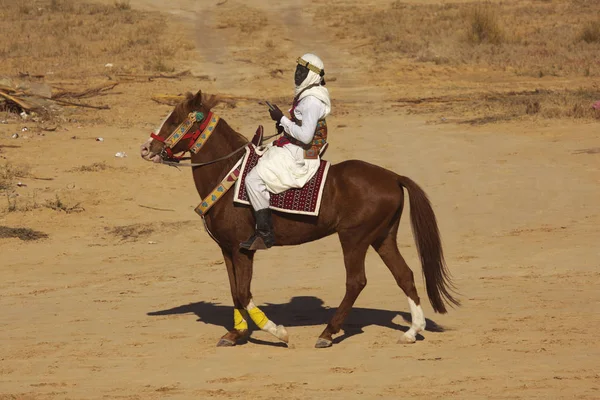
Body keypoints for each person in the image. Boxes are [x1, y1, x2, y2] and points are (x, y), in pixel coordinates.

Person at [240, 53, 331, 250]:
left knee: (252, 180)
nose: (297, 74)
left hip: (300, 152)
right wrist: (284, 124)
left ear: (312, 75)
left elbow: (306, 136)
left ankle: (265, 234)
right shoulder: (307, 95)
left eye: (302, 71)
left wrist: (281, 119)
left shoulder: (312, 101)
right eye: (297, 69)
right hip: (292, 144)